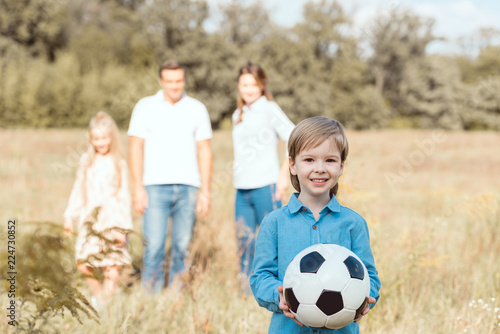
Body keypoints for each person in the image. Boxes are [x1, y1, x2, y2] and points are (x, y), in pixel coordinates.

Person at [250, 117, 381, 333]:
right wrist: (279, 294)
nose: (319, 169)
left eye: (329, 160)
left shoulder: (354, 223)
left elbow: (369, 274)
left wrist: (366, 295)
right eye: (309, 160)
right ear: (292, 165)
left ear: (341, 167)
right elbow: (260, 277)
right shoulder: (274, 223)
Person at [128, 60, 213, 293]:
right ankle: (151, 296)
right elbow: (135, 147)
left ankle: (176, 295)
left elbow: (204, 150)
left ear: (183, 80)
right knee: (154, 245)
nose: (174, 86)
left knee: (181, 246)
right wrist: (137, 188)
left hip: (188, 187)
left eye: (179, 81)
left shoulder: (197, 108)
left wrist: (205, 190)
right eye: (170, 81)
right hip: (154, 187)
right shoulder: (145, 107)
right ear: (161, 81)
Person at [232, 62, 295, 282]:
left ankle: (280, 286)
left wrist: (284, 176)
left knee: (272, 240)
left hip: (266, 185)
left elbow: (294, 137)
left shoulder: (269, 109)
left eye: (253, 84)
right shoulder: (238, 114)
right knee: (244, 240)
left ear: (261, 85)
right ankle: (247, 287)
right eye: (244, 84)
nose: (248, 89)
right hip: (242, 188)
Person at [64, 111, 133, 307]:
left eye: (104, 138)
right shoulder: (86, 161)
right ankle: (99, 296)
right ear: (91, 139)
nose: (100, 142)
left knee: (111, 265)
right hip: (90, 219)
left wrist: (123, 228)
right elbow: (78, 189)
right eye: (96, 138)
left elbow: (124, 196)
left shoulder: (119, 163)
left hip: (113, 219)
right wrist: (70, 217)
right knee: (84, 263)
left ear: (111, 137)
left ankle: (106, 308)